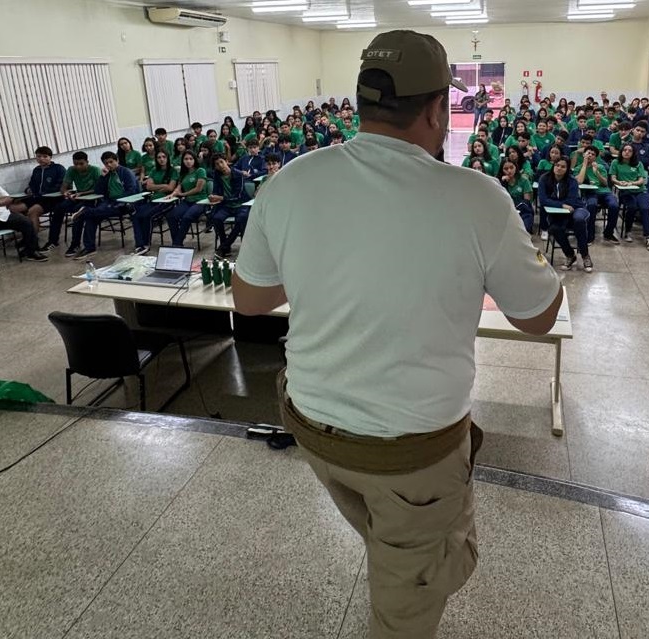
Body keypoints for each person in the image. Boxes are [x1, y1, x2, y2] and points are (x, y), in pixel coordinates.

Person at [232, 31, 561, 639]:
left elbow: (250, 300)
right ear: (437, 110)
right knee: (410, 598)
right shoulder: (475, 197)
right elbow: (537, 316)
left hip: (311, 423)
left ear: (361, 102)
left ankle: (394, 555)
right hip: (411, 450)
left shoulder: (291, 181)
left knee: (386, 534)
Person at [64, 151, 140, 260]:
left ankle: (85, 210)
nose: (108, 165)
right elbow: (98, 191)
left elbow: (132, 191)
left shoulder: (126, 172)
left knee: (89, 213)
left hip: (123, 203)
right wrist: (102, 177)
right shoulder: (107, 174)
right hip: (109, 202)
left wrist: (118, 200)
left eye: (111, 162)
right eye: (106, 163)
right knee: (91, 217)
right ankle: (90, 248)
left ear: (117, 160)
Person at [538, 156, 593, 272]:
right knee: (554, 228)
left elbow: (571, 201)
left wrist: (554, 202)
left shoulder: (572, 181)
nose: (559, 168)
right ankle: (570, 255)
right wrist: (561, 205)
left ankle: (585, 255)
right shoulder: (544, 179)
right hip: (558, 212)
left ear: (567, 169)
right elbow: (543, 200)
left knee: (579, 220)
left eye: (563, 167)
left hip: (577, 208)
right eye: (557, 165)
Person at [8, 146, 67, 236]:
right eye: (39, 156)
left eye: (45, 156)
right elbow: (32, 184)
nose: (41, 159)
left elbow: (61, 185)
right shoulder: (36, 170)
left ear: (50, 157)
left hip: (52, 199)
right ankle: (28, 231)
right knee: (12, 208)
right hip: (36, 198)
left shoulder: (58, 168)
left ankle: (33, 239)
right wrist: (29, 190)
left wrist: (44, 192)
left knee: (33, 211)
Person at [131, 149, 177, 255]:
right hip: (153, 200)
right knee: (135, 215)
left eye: (164, 157)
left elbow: (171, 188)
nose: (161, 159)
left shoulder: (172, 171)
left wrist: (157, 187)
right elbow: (149, 186)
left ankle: (145, 245)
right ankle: (139, 244)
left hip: (167, 200)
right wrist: (163, 185)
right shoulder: (154, 170)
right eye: (159, 157)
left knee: (148, 216)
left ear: (168, 158)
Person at [611, 144, 649, 251]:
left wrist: (632, 183)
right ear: (621, 151)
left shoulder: (638, 164)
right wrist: (619, 182)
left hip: (640, 191)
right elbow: (613, 178)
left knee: (645, 208)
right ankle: (628, 231)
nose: (627, 152)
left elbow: (641, 180)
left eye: (630, 150)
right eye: (625, 150)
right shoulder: (615, 162)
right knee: (632, 207)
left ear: (633, 153)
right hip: (625, 191)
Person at [209, 153, 250, 258]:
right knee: (216, 218)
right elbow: (215, 190)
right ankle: (226, 247)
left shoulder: (238, 174)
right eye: (217, 164)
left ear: (227, 161)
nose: (220, 165)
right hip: (226, 205)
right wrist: (212, 196)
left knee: (241, 219)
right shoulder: (217, 175)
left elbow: (238, 196)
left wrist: (220, 198)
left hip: (241, 204)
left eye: (221, 162)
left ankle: (224, 247)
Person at [576, 146, 619, 244]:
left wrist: (597, 172)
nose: (590, 155)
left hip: (605, 192)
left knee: (614, 205)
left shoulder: (600, 167)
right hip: (590, 193)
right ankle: (590, 235)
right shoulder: (579, 168)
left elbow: (605, 183)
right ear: (584, 154)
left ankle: (608, 233)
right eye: (588, 153)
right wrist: (584, 165)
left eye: (593, 154)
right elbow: (579, 181)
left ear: (595, 157)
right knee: (591, 205)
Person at [166, 150, 209, 248]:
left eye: (190, 159)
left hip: (200, 201)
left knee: (187, 217)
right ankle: (177, 241)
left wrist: (183, 194)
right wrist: (173, 194)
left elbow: (198, 189)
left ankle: (177, 244)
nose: (188, 161)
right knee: (171, 216)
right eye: (186, 159)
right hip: (188, 201)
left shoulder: (200, 171)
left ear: (194, 160)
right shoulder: (183, 173)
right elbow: (179, 187)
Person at [498, 158, 535, 234]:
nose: (509, 171)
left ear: (516, 167)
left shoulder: (524, 180)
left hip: (523, 211)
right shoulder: (499, 182)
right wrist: (502, 183)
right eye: (506, 169)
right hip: (506, 212)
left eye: (511, 167)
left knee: (524, 229)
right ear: (502, 170)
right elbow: (499, 200)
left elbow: (526, 202)